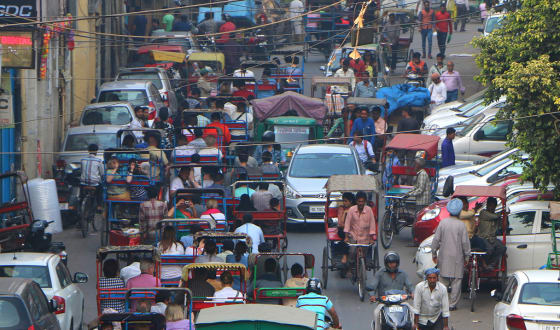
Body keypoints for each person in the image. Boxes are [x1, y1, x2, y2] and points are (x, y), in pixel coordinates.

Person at [431, 198, 470, 311]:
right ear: (459, 211)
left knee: (443, 281)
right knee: (456, 282)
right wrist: (467, 256)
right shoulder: (461, 225)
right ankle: (452, 304)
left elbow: (436, 240)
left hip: (444, 257)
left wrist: (434, 253)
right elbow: (465, 243)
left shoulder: (443, 223)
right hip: (458, 258)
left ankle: (442, 303)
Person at [370, 252, 414, 330]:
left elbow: (410, 285)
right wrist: (372, 295)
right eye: (390, 263)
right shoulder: (380, 274)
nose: (392, 265)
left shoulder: (403, 274)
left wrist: (412, 293)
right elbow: (373, 286)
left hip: (400, 302)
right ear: (386, 263)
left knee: (412, 311)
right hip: (384, 303)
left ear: (397, 263)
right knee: (376, 313)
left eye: (394, 263)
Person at [343, 191, 377, 271]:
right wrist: (346, 237)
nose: (360, 203)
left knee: (364, 254)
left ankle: (363, 268)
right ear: (356, 201)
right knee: (352, 252)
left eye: (362, 201)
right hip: (353, 235)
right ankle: (350, 268)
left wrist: (372, 238)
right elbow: (347, 224)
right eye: (359, 201)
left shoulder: (369, 210)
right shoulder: (352, 210)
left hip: (365, 236)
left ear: (365, 202)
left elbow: (372, 224)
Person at [477, 197, 506, 268]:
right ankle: (482, 264)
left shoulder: (496, 216)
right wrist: (502, 212)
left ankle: (491, 264)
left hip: (492, 238)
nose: (491, 208)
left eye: (493, 206)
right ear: (487, 205)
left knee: (502, 248)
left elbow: (501, 226)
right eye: (490, 205)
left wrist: (505, 217)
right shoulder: (483, 213)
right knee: (490, 249)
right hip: (482, 238)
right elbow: (495, 216)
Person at [80, 143, 104, 212]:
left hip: (83, 183)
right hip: (94, 184)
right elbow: (102, 173)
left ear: (88, 150)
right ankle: (99, 206)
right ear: (96, 151)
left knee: (81, 195)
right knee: (101, 189)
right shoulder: (98, 161)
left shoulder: (83, 160)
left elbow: (81, 171)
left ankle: (80, 204)